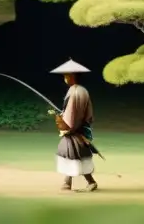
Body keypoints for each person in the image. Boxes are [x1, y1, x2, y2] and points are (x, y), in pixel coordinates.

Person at [51, 59, 98, 192]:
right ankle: (68, 182)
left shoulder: (74, 92)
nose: (65, 78)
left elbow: (72, 114)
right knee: (73, 154)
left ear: (71, 76)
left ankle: (89, 182)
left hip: (74, 129)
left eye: (66, 75)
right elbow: (87, 113)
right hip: (80, 128)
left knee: (71, 153)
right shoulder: (82, 90)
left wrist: (66, 125)